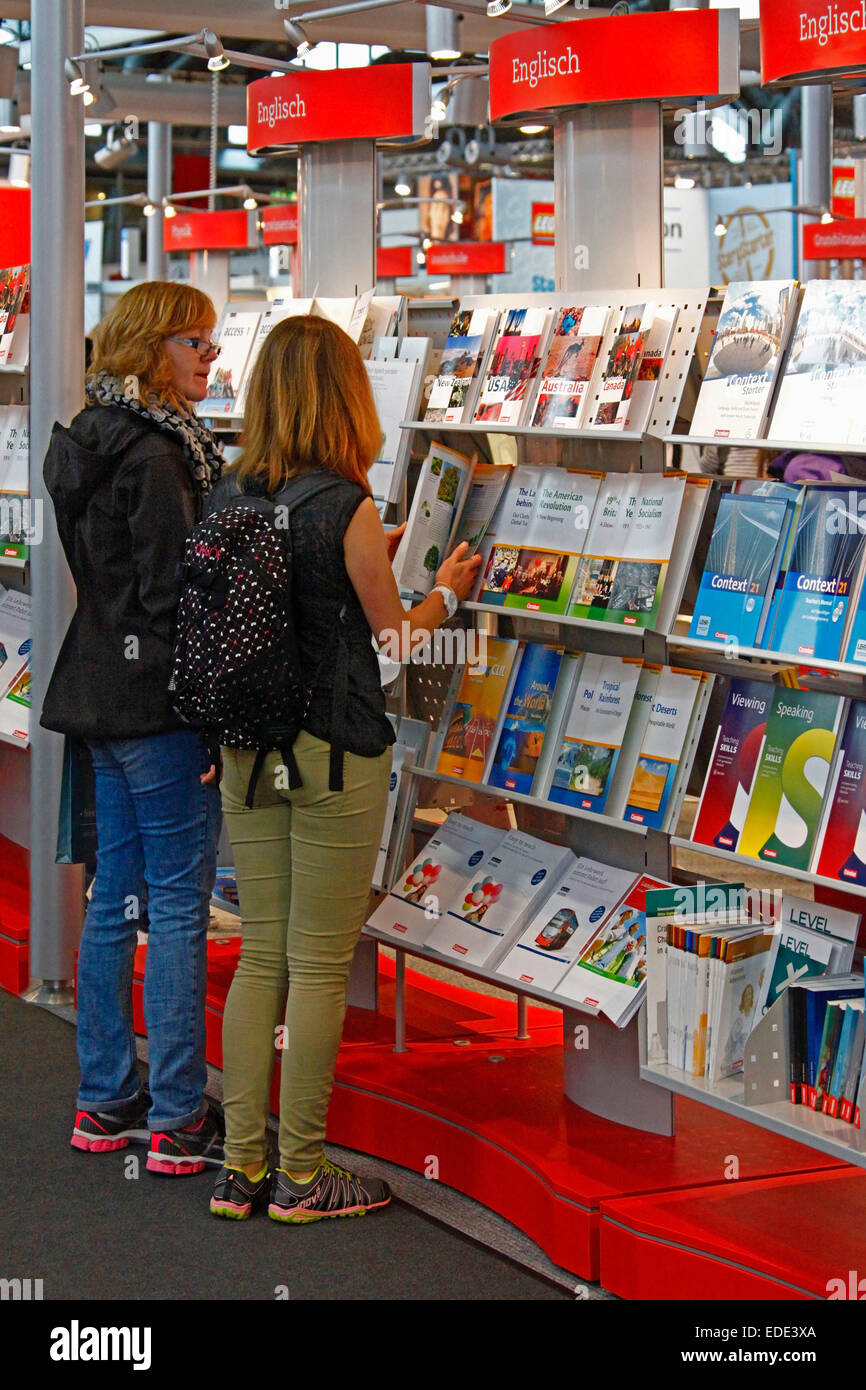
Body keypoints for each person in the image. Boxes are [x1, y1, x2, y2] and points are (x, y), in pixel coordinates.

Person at [206, 314, 481, 1223]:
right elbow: (397, 637)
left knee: (261, 959)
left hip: (246, 750)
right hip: (332, 752)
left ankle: (241, 1170)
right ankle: (304, 1176)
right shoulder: (346, 506)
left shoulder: (228, 492)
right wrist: (450, 588)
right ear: (347, 396)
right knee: (320, 968)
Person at [41, 281, 226, 1175]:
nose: (209, 360)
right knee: (179, 904)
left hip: (95, 690)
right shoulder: (159, 456)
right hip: (156, 703)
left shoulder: (85, 439)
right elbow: (173, 599)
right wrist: (208, 716)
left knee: (115, 893)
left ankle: (105, 1097)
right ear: (153, 347)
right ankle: (180, 1114)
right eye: (197, 343)